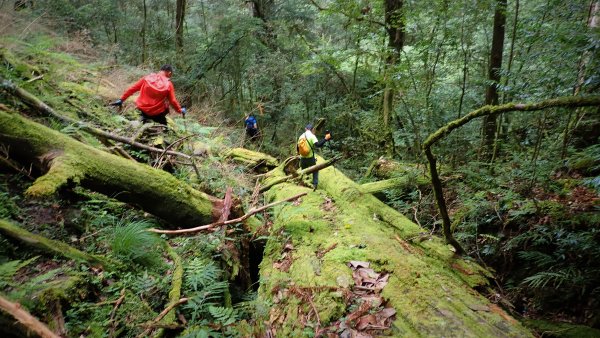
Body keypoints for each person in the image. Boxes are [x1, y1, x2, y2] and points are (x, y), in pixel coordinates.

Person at [111, 64, 186, 125]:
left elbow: (132, 89)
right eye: (171, 75)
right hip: (158, 113)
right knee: (164, 127)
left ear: (160, 70)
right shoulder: (169, 84)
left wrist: (121, 99)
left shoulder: (146, 78)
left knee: (144, 119)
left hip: (143, 109)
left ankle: (144, 120)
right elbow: (172, 101)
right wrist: (180, 110)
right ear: (169, 73)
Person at [297, 124, 331, 190]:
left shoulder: (301, 136)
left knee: (304, 172)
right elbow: (318, 145)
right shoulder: (312, 136)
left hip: (302, 158)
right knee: (315, 170)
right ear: (312, 129)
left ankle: (303, 184)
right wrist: (325, 139)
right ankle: (314, 185)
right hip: (310, 158)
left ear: (305, 129)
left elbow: (298, 147)